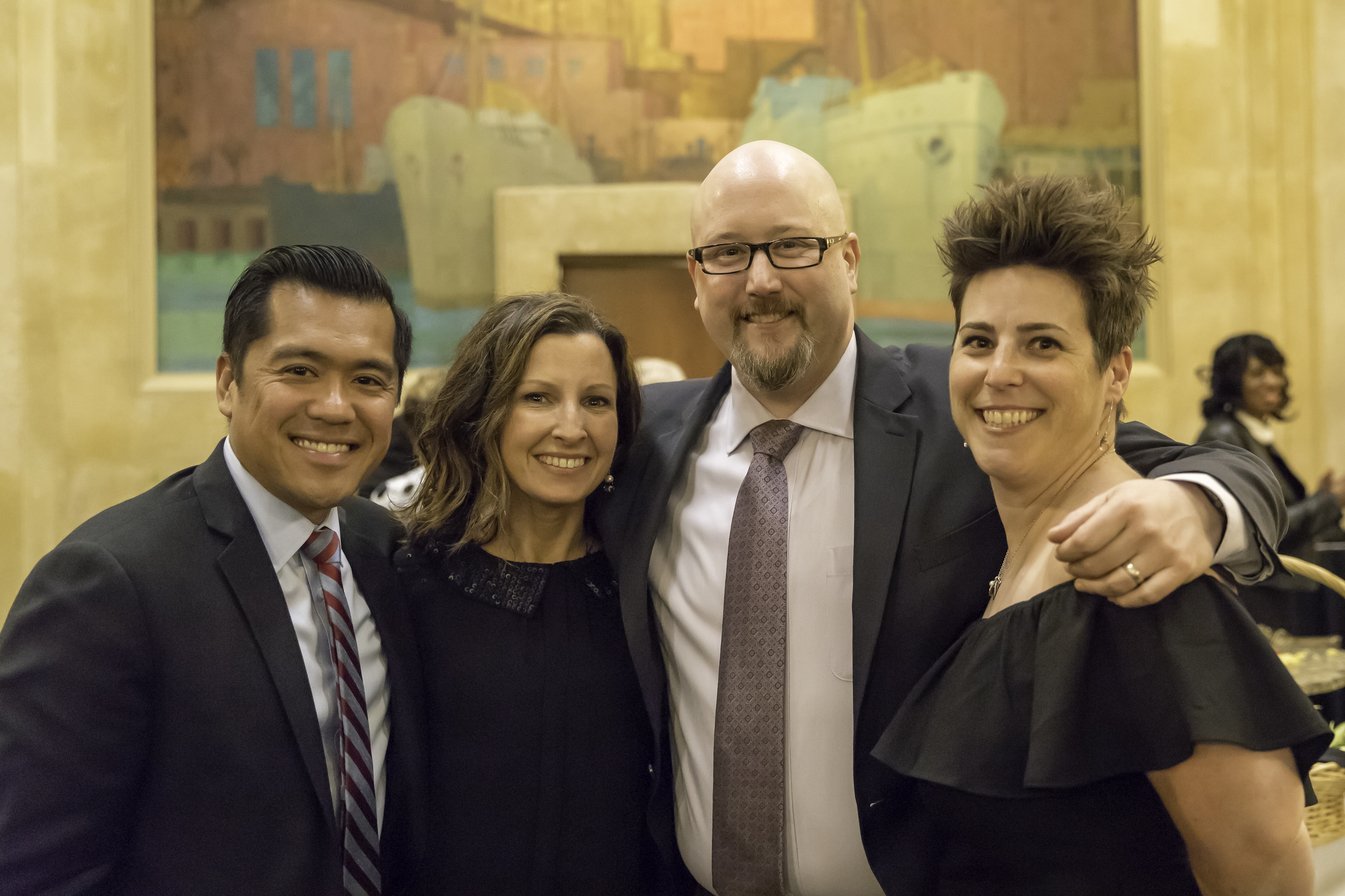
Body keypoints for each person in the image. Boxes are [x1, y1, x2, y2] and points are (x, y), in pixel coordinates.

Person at [598, 140, 1291, 896]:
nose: (761, 279)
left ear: (849, 259)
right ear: (695, 275)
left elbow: (1191, 463)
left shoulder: (970, 406)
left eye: (793, 245)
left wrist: (1196, 505)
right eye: (727, 252)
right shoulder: (639, 440)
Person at [871, 175, 1329, 895]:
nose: (1000, 372)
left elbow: (1265, 871)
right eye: (978, 340)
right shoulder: (1017, 561)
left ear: (1115, 371)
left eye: (1042, 343)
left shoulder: (1138, 577)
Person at [0, 245, 426, 896]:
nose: (336, 407)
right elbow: (37, 870)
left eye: (368, 380)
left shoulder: (387, 551)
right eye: (301, 370)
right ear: (228, 382)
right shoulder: (107, 585)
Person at [395, 293, 658, 894]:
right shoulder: (408, 584)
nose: (572, 427)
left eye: (596, 401)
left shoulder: (647, 590)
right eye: (537, 397)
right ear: (483, 412)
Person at [1197, 333, 1345, 630]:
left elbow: (1273, 510)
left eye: (1277, 371)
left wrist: (1319, 498)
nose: (1273, 381)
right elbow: (1258, 530)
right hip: (1265, 600)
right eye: (1258, 373)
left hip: (1281, 592)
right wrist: (1328, 502)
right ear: (1232, 380)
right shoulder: (1224, 435)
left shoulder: (1248, 433)